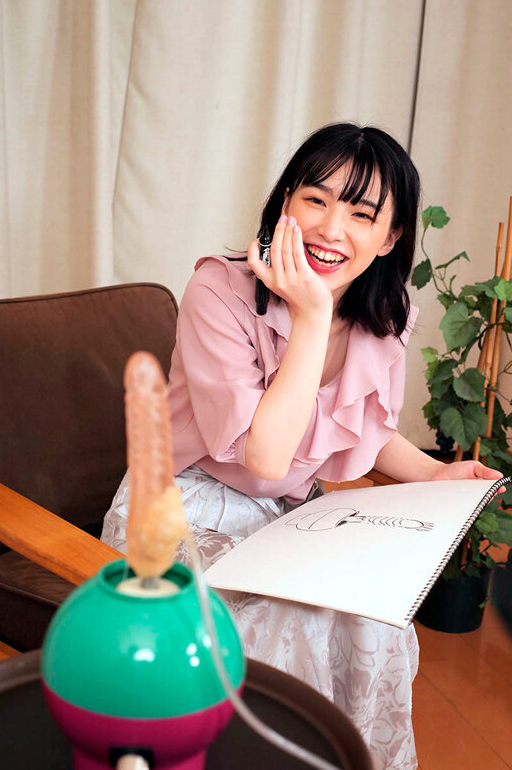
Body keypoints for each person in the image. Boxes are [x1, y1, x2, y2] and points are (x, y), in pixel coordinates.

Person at [102, 123, 502, 770]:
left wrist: (434, 473)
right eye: (315, 199)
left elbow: (363, 426)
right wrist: (313, 315)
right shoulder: (218, 291)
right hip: (182, 507)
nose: (330, 228)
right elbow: (264, 456)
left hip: (291, 518)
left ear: (390, 236)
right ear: (285, 201)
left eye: (362, 213)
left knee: (373, 616)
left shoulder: (385, 314)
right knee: (290, 622)